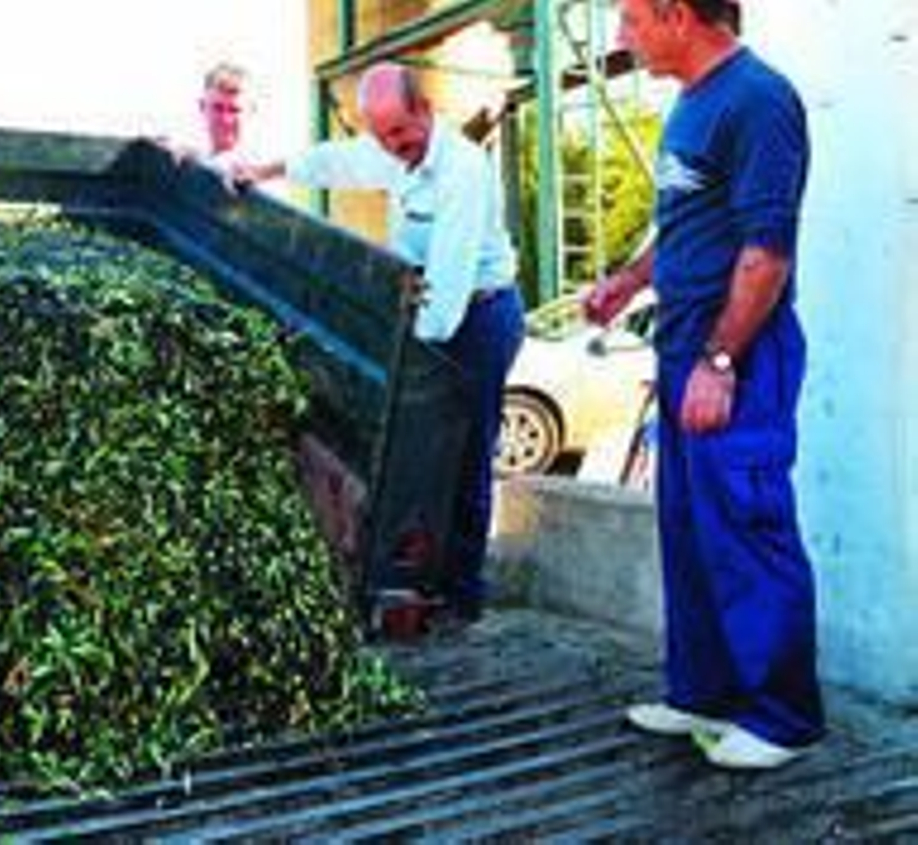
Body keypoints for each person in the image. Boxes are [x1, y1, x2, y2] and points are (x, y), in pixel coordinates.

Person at [585, 0, 822, 770]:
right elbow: (690, 227)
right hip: (684, 345)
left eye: (631, 19)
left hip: (738, 349)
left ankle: (783, 717)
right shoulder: (692, 104)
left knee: (747, 523)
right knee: (691, 528)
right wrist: (629, 281)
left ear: (677, 14)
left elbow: (767, 252)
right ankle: (705, 692)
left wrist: (720, 361)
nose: (622, 37)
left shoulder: (758, 100)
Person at [234, 62, 524, 626]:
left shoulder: (462, 172)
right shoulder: (391, 150)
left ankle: (461, 595)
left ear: (425, 111)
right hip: (426, 312)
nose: (393, 147)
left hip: (478, 320)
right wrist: (263, 170)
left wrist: (393, 362)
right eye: (382, 136)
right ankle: (408, 580)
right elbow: (335, 161)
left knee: (463, 454)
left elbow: (447, 296)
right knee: (412, 455)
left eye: (400, 133)